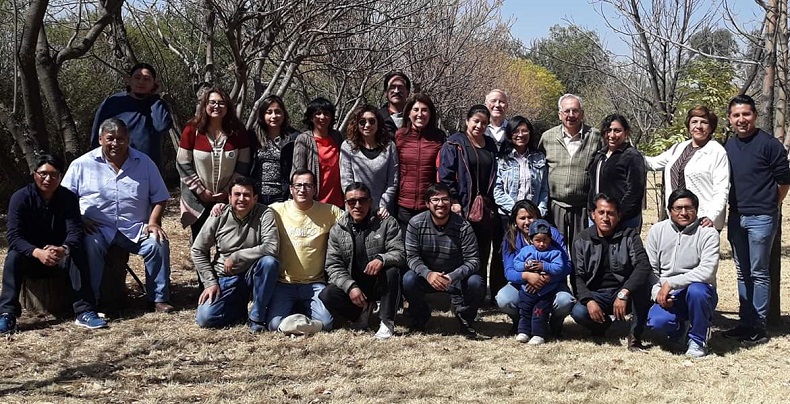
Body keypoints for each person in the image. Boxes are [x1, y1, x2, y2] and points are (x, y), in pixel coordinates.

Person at [63, 118, 174, 313]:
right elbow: (64, 199)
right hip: (97, 227)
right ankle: (91, 301)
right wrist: (79, 219)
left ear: (128, 138)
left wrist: (154, 222)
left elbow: (160, 197)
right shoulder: (82, 164)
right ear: (100, 139)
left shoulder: (144, 163)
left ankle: (157, 299)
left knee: (157, 243)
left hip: (135, 227)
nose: (115, 143)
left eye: (121, 139)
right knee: (90, 245)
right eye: (110, 138)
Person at [0, 154, 108, 334]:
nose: (48, 179)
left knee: (77, 251)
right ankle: (7, 315)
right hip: (31, 257)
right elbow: (14, 237)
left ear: (60, 176)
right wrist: (37, 252)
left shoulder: (68, 198)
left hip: (59, 257)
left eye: (54, 174)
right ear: (34, 174)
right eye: (43, 174)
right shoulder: (20, 198)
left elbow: (75, 231)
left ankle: (84, 311)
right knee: (13, 257)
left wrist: (63, 248)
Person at [722, 94, 790, 344]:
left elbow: (784, 181)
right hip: (737, 216)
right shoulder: (728, 146)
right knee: (742, 272)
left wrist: (771, 204)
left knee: (759, 272)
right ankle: (745, 322)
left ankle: (759, 327)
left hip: (761, 217)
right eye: (736, 115)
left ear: (755, 116)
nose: (742, 119)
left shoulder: (769, 145)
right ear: (730, 119)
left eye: (746, 114)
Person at [192, 176, 280, 332]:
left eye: (247, 195)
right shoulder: (219, 214)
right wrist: (210, 282)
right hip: (225, 277)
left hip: (253, 276)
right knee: (205, 318)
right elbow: (198, 250)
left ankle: (257, 317)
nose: (242, 199)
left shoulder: (265, 213)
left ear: (255, 198)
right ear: (229, 197)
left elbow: (271, 247)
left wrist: (237, 256)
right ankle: (239, 310)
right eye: (237, 194)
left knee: (269, 262)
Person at [319, 183, 405, 339]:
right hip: (356, 284)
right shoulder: (337, 230)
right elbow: (333, 266)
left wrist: (382, 259)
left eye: (362, 200)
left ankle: (387, 322)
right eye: (352, 201)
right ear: (346, 204)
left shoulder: (386, 223)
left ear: (370, 202)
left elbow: (399, 252)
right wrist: (350, 286)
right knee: (327, 294)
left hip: (379, 282)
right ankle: (361, 313)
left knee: (392, 271)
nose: (357, 205)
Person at [401, 183, 487, 339]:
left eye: (445, 199)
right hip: (427, 276)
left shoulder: (463, 226)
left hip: (455, 278)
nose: (440, 204)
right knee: (408, 279)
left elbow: (473, 260)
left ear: (451, 202)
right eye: (435, 200)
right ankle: (421, 316)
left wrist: (452, 277)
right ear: (427, 204)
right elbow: (412, 257)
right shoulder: (415, 223)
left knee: (476, 282)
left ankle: (465, 317)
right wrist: (428, 274)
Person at [266, 169, 344, 332]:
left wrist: (378, 213)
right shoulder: (276, 210)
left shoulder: (329, 211)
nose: (303, 190)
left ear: (315, 189)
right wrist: (221, 207)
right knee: (273, 325)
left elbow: (354, 219)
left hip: (314, 283)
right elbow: (250, 212)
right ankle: (299, 320)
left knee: (327, 324)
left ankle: (296, 322)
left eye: (308, 185)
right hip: (284, 283)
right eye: (298, 185)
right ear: (291, 189)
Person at [570, 193, 651, 350]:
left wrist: (624, 292)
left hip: (623, 292)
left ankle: (635, 335)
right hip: (597, 293)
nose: (605, 218)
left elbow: (643, 265)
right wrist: (589, 300)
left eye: (610, 213)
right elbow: (576, 276)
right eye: (601, 212)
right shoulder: (581, 239)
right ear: (593, 214)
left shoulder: (630, 235)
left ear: (618, 216)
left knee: (643, 289)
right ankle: (601, 325)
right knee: (579, 312)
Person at [646, 189, 719, 357]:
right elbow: (650, 269)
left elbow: (707, 271)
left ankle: (698, 340)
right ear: (669, 210)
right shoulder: (657, 231)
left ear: (696, 210)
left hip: (698, 291)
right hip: (667, 293)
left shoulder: (708, 233)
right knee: (657, 322)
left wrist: (671, 283)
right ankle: (681, 328)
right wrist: (658, 292)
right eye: (678, 208)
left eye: (689, 208)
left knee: (697, 290)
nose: (684, 213)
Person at [438, 105, 498, 298]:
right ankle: (457, 294)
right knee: (461, 251)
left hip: (485, 208)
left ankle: (478, 293)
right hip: (462, 205)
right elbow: (445, 176)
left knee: (482, 251)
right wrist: (453, 200)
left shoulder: (490, 145)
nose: (479, 126)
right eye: (476, 121)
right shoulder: (454, 143)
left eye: (484, 123)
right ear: (467, 121)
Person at [177, 86, 251, 239]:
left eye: (221, 103)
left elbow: (243, 165)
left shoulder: (237, 131)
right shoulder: (192, 129)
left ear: (228, 107)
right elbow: (182, 163)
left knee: (226, 242)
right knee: (200, 242)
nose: (216, 106)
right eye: (212, 102)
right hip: (198, 198)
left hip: (228, 198)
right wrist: (201, 191)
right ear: (205, 105)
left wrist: (227, 191)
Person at [494, 199, 575, 336]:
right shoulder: (510, 238)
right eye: (522, 218)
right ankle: (521, 323)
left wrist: (547, 278)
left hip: (552, 284)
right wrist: (527, 276)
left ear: (538, 217)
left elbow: (566, 265)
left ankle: (555, 325)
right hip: (522, 286)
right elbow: (509, 272)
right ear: (515, 220)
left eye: (531, 217)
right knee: (504, 299)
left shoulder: (552, 235)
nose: (527, 222)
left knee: (564, 301)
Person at [645, 106, 730, 229]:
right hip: (677, 219)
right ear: (689, 125)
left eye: (704, 122)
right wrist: (628, 153)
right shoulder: (679, 148)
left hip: (703, 222)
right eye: (694, 122)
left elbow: (721, 190)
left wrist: (710, 216)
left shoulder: (717, 152)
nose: (698, 126)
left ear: (711, 127)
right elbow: (652, 163)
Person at [538, 93, 603, 244]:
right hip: (555, 205)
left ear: (582, 114)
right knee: (555, 247)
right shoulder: (548, 137)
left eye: (575, 111)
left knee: (581, 248)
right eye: (566, 111)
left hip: (583, 206)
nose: (571, 115)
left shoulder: (595, 136)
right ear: (559, 114)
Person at [91, 63, 173, 167]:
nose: (141, 82)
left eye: (146, 79)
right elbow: (96, 136)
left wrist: (155, 97)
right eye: (137, 77)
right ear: (130, 80)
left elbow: (162, 126)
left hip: (147, 167)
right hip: (115, 166)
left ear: (154, 84)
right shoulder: (113, 102)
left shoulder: (157, 104)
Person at [512, 219, 570, 345]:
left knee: (540, 312)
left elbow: (559, 267)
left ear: (550, 239)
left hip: (546, 291)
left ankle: (539, 334)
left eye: (545, 240)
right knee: (525, 310)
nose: (542, 244)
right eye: (538, 240)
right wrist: (525, 267)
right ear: (531, 239)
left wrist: (544, 266)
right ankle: (523, 331)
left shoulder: (555, 252)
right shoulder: (526, 251)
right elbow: (516, 264)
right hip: (527, 289)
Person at [394, 93, 446, 230]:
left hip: (429, 205)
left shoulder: (439, 137)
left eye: (424, 110)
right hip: (403, 204)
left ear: (430, 113)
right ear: (409, 113)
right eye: (416, 110)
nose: (420, 114)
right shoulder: (399, 136)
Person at [340, 104, 399, 218]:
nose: (367, 125)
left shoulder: (389, 147)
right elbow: (346, 180)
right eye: (362, 122)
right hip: (356, 209)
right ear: (356, 124)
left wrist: (382, 205)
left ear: (378, 123)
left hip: (382, 211)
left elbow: (393, 181)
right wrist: (356, 203)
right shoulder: (348, 146)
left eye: (372, 121)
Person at [587, 114, 646, 230]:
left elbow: (635, 190)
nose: (612, 135)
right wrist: (591, 209)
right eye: (608, 130)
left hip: (623, 220)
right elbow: (593, 185)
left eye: (617, 131)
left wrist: (618, 214)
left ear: (626, 132)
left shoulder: (632, 156)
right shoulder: (600, 155)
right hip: (598, 218)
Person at [291, 97, 344, 207]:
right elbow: (297, 172)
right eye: (318, 113)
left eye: (326, 113)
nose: (322, 117)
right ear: (311, 117)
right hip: (314, 202)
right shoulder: (303, 139)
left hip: (338, 202)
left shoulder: (337, 137)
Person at [249, 94, 300, 205]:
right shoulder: (252, 137)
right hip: (256, 195)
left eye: (278, 112)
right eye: (269, 112)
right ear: (262, 115)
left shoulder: (294, 138)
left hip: (283, 195)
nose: (274, 116)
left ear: (283, 114)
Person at [378, 72, 411, 139]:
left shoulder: (416, 117)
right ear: (385, 93)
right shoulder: (377, 118)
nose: (396, 91)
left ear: (407, 92)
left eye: (400, 87)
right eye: (392, 87)